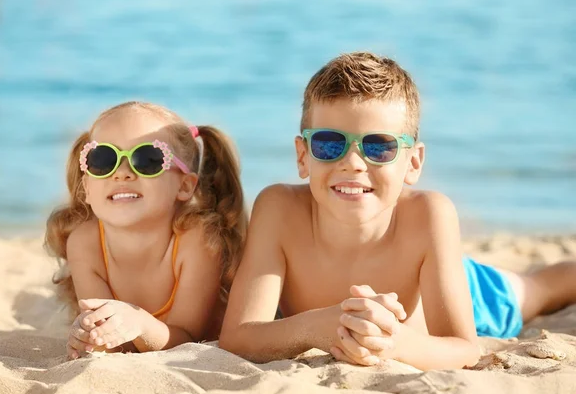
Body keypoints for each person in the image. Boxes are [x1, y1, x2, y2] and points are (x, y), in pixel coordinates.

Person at [218, 52, 576, 370]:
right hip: (423, 277)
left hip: (462, 288)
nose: (353, 163)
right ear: (302, 155)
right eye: (330, 144)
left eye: (379, 146)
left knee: (537, 289)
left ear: (413, 163)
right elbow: (238, 337)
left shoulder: (429, 215)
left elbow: (465, 349)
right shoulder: (278, 209)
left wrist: (395, 343)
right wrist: (322, 327)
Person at [45, 101, 247, 359]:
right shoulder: (84, 242)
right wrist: (88, 335)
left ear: (185, 186)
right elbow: (108, 338)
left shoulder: (198, 240)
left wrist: (138, 324)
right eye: (103, 159)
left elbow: (187, 337)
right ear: (87, 188)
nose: (122, 173)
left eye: (148, 159)